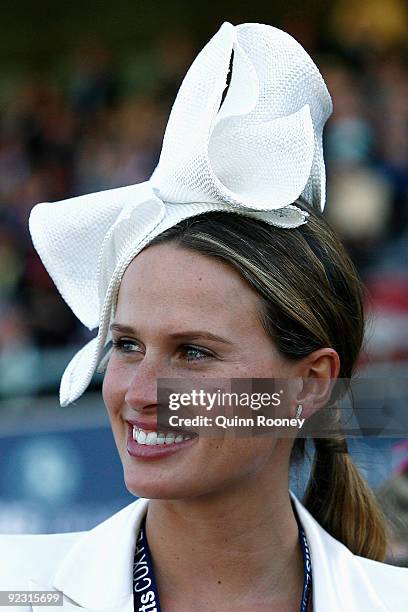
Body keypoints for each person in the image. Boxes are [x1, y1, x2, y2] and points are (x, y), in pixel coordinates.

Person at [0, 21, 407, 612]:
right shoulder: (16, 590)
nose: (140, 393)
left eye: (193, 352)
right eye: (128, 346)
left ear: (310, 384)